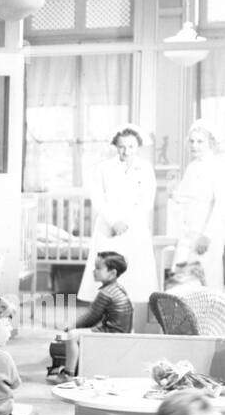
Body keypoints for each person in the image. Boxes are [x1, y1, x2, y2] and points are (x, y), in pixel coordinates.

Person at [77, 125, 158, 305]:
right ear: (115, 146)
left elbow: (146, 201)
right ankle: (105, 316)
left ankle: (129, 319)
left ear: (138, 147)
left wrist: (127, 222)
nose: (126, 151)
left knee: (134, 274)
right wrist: (114, 221)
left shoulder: (145, 168)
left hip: (134, 225)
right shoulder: (104, 168)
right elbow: (97, 198)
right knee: (108, 268)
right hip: (109, 225)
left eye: (131, 147)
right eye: (122, 146)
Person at [55, 251, 131, 381]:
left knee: (72, 336)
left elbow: (91, 317)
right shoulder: (118, 288)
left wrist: (71, 326)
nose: (94, 271)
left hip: (112, 333)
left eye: (98, 268)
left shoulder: (106, 293)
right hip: (121, 331)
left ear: (112, 273)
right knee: (78, 332)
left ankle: (68, 373)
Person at [169, 121, 224, 291]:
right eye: (192, 141)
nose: (194, 145)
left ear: (211, 143)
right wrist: (174, 189)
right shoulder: (192, 167)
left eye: (200, 141)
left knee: (207, 278)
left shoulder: (218, 166)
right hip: (188, 231)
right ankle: (183, 317)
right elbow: (183, 197)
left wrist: (207, 236)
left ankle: (211, 317)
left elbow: (221, 205)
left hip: (206, 233)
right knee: (182, 279)